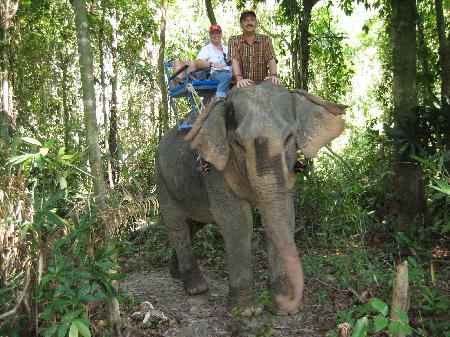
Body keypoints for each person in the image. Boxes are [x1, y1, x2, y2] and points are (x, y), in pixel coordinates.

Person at [228, 10, 282, 88]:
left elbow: (271, 58)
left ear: (256, 24)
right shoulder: (234, 40)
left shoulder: (265, 39)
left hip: (262, 83)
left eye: (252, 20)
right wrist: (239, 78)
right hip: (240, 82)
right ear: (241, 24)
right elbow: (234, 59)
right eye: (245, 20)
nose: (249, 23)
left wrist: (273, 75)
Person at [195, 24, 233, 100]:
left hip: (230, 72)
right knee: (225, 76)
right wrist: (212, 64)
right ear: (210, 35)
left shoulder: (227, 48)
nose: (216, 35)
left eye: (218, 33)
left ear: (221, 34)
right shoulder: (207, 49)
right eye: (213, 33)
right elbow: (198, 63)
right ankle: (219, 99)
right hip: (216, 74)